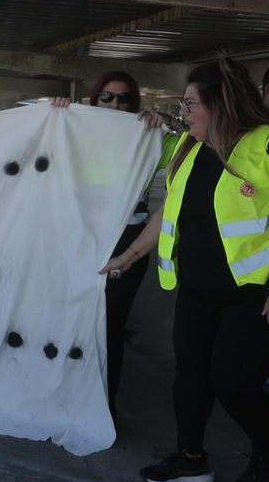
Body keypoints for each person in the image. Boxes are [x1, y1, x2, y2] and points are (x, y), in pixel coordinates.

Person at [101, 58, 269, 482]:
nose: (184, 111)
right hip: (197, 287)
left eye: (190, 103)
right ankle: (190, 457)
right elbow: (168, 210)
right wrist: (130, 256)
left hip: (257, 293)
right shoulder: (192, 147)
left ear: (222, 105)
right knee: (190, 375)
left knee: (233, 380)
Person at [53, 71, 179, 416]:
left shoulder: (151, 134)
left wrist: (171, 121)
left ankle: (101, 405)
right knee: (68, 319)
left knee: (109, 326)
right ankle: (62, 393)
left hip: (126, 240)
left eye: (124, 98)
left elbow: (201, 147)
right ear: (93, 99)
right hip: (77, 237)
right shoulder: (72, 127)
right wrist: (55, 114)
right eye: (107, 97)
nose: (116, 104)